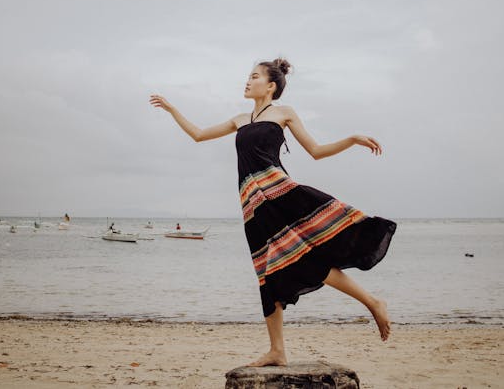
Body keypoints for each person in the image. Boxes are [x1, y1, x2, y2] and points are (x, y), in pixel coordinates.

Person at [149, 58, 396, 367]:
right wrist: (172, 109)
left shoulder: (283, 113)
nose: (247, 81)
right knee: (267, 273)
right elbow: (198, 134)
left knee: (309, 260)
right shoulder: (240, 119)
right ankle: (277, 350)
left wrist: (352, 139)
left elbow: (316, 151)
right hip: (253, 206)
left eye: (253, 76)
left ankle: (373, 302)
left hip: (280, 194)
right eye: (248, 77)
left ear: (270, 85)